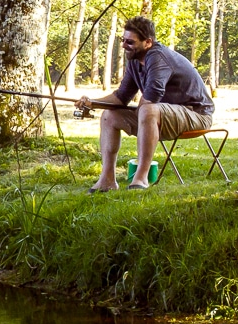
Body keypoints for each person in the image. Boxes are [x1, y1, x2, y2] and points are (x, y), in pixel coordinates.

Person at [74, 15, 214, 192]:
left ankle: (140, 179)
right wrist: (92, 103)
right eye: (122, 40)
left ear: (148, 42)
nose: (124, 45)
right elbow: (121, 97)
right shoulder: (134, 61)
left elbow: (152, 96)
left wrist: (142, 114)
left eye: (130, 42)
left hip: (196, 115)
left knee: (148, 109)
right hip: (162, 114)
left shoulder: (158, 57)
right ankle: (107, 180)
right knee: (109, 115)